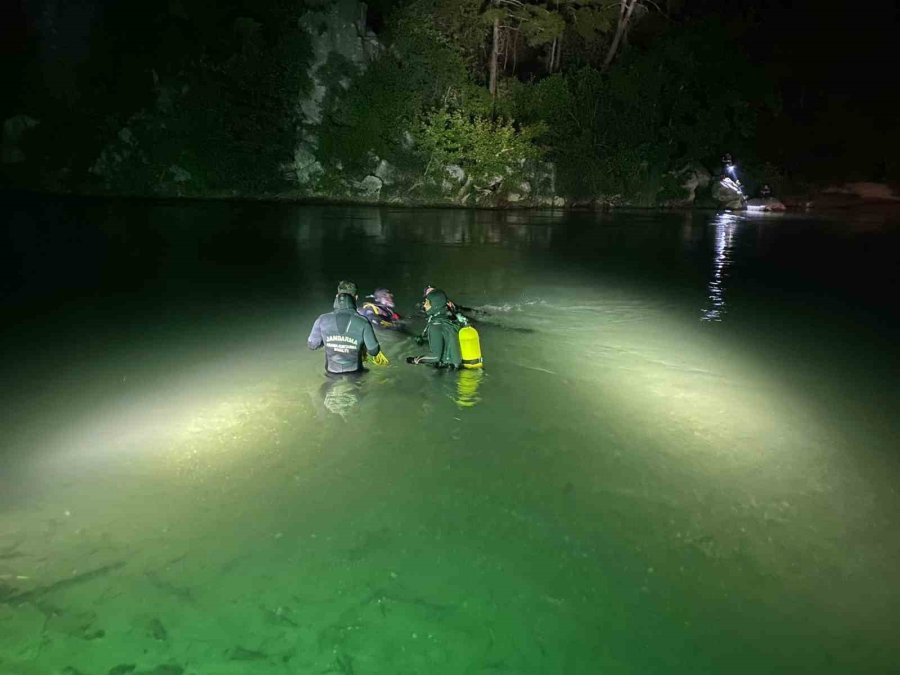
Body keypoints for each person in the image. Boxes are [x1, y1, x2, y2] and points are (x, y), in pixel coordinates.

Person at [308, 280, 389, 374]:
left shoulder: (322, 319)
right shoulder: (363, 322)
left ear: (337, 297)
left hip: (331, 372)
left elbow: (312, 345)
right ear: (356, 298)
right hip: (355, 372)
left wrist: (329, 340)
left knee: (328, 386)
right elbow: (374, 351)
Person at [406, 288, 462, 368]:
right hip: (458, 368)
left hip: (448, 370)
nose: (424, 305)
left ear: (435, 305)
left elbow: (435, 357)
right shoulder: (450, 321)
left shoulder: (435, 326)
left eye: (427, 303)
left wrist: (415, 360)